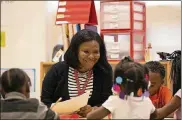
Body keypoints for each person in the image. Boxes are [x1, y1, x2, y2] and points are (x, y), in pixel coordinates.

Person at [41, 29, 113, 117]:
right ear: (75, 51)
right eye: (86, 52)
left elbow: (108, 102)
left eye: (96, 52)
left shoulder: (104, 71)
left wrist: (94, 110)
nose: (91, 56)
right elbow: (45, 102)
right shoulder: (57, 70)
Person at [87, 59, 156, 119]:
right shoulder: (147, 100)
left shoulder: (114, 100)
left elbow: (91, 117)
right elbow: (155, 115)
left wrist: (96, 110)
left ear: (118, 84)